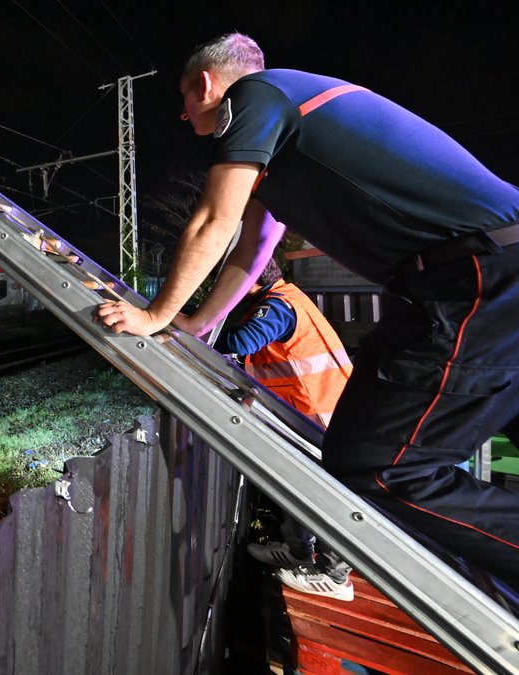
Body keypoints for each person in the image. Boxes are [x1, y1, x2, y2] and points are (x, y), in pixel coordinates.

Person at [95, 33, 519, 590]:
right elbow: (250, 251)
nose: (182, 114)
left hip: (477, 281)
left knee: (378, 470)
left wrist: (154, 315)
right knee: (372, 462)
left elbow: (211, 221)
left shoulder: (254, 97)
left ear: (204, 84)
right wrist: (194, 325)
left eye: (185, 98)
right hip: (466, 279)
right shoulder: (285, 133)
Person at [216, 257, 355, 600]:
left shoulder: (278, 306)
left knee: (325, 496)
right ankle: (297, 551)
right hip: (312, 412)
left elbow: (239, 343)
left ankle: (334, 576)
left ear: (249, 279)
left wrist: (197, 331)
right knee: (296, 484)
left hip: (319, 418)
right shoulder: (284, 297)